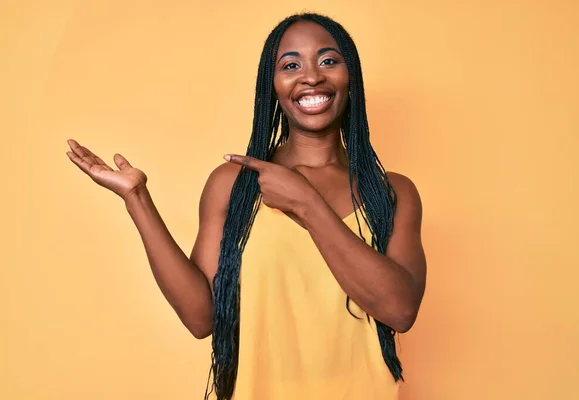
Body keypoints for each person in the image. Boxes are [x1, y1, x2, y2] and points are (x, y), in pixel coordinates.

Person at [66, 12, 427, 400]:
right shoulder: (233, 186)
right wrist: (137, 199)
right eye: (291, 65)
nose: (311, 76)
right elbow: (201, 317)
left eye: (328, 61)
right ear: (271, 86)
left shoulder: (392, 193)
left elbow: (400, 310)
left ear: (349, 75)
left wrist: (306, 202)